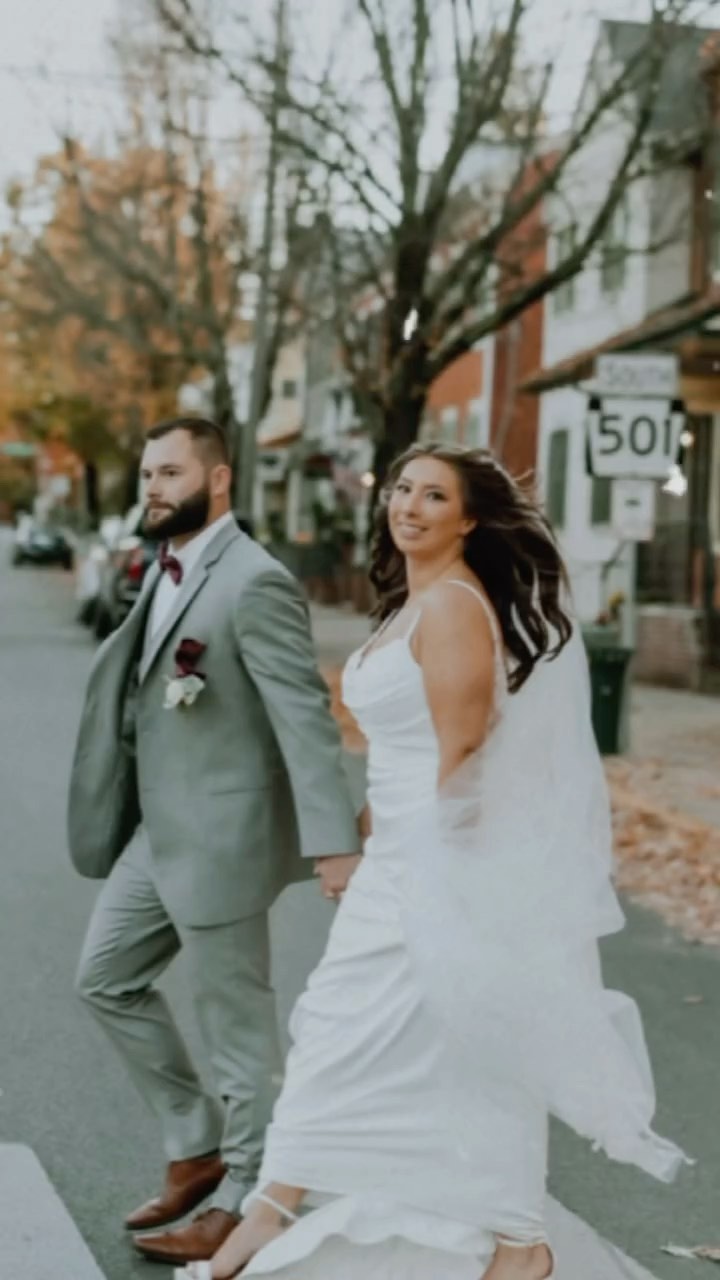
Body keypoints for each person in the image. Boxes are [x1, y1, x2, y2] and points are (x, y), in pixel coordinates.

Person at [181, 442, 689, 1280]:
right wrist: (366, 832)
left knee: (416, 1042)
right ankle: (321, 1209)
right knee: (408, 1045)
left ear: (470, 518)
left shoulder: (453, 605)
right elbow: (403, 752)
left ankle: (498, 1239)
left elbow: (463, 753)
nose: (408, 506)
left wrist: (428, 877)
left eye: (433, 496)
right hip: (400, 857)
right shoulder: (412, 604)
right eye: (402, 489)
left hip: (437, 866)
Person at [68, 416, 361, 1267]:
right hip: (158, 832)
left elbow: (303, 716)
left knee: (235, 1022)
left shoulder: (255, 581)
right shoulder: (169, 568)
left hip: (223, 834)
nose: (151, 488)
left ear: (219, 479)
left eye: (168, 473)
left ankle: (242, 1193)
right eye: (147, 473)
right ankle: (196, 1145)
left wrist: (332, 839)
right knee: (104, 979)